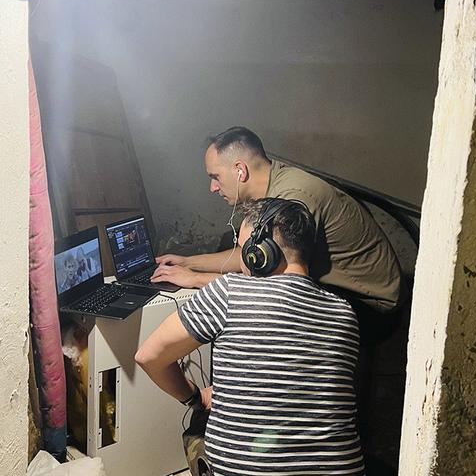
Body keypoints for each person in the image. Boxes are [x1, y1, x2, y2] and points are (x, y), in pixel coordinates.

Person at [136, 198, 365, 475]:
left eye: (245, 250)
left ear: (262, 253)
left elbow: (149, 356)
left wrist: (194, 397)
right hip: (343, 471)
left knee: (194, 437)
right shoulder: (344, 313)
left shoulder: (230, 291)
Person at [151, 126, 401, 313]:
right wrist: (187, 263)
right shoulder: (274, 184)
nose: (213, 187)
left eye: (215, 176)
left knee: (258, 313)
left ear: (240, 170)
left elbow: (269, 286)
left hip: (370, 304)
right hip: (345, 291)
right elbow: (247, 256)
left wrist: (194, 279)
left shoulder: (292, 197)